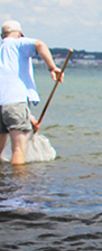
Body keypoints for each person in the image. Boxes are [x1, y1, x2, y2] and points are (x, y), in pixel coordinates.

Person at [0, 20, 63, 165]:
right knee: (18, 150)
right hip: (15, 103)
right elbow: (39, 44)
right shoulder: (18, 43)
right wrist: (52, 68)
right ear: (20, 34)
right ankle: (18, 186)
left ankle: (3, 183)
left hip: (3, 104)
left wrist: (30, 118)